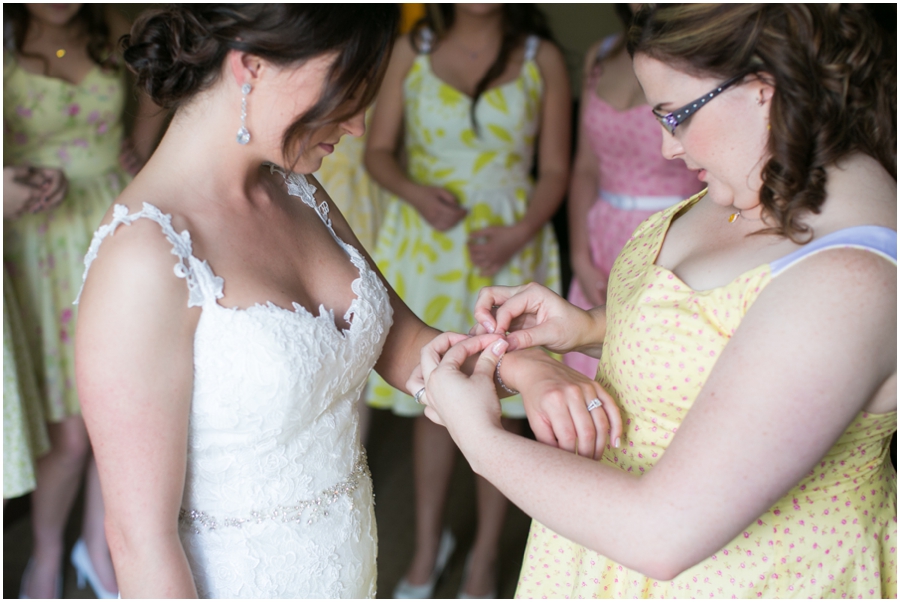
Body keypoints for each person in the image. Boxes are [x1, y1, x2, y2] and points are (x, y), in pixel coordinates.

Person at [73, 5, 618, 598]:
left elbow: (406, 344)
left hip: (349, 564)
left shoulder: (297, 187)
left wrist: (528, 368)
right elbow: (139, 540)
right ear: (251, 66)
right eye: (346, 91)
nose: (358, 125)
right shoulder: (144, 258)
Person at [414, 4, 897, 598]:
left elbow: (661, 532)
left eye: (677, 116)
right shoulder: (761, 173)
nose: (668, 148)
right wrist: (590, 326)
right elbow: (734, 326)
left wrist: (481, 438)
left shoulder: (851, 282)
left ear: (762, 90)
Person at [364, 4, 570, 597]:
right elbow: (379, 151)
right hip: (427, 247)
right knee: (436, 396)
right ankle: (428, 546)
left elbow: (555, 168)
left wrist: (519, 231)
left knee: (504, 403)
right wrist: (416, 194)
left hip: (510, 248)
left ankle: (483, 557)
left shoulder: (542, 59)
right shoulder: (414, 47)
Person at [3, 4, 164, 598]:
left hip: (109, 224)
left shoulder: (113, 24)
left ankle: (96, 546)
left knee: (121, 408)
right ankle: (46, 554)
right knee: (69, 433)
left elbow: (164, 63)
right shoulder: (4, 40)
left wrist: (141, 146)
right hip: (33, 249)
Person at [564, 3, 703, 378]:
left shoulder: (704, 56)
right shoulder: (600, 53)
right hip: (601, 238)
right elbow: (585, 168)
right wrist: (579, 255)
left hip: (670, 235)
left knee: (645, 365)